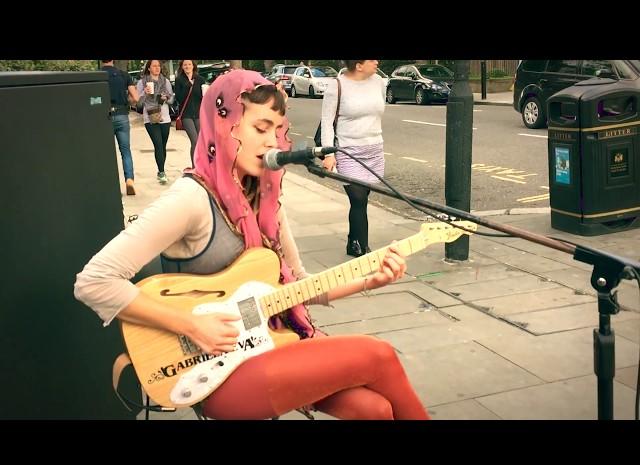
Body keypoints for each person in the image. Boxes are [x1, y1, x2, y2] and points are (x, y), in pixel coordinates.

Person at [74, 69, 429, 420]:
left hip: (271, 343)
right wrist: (192, 325)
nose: (273, 141)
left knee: (375, 410)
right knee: (378, 355)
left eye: (277, 130)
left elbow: (300, 285)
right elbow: (94, 281)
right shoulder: (192, 197)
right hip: (216, 373)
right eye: (260, 128)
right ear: (224, 125)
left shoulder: (267, 198)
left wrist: (370, 280)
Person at [320, 60, 386, 257]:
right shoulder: (337, 86)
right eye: (372, 60)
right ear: (358, 65)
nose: (377, 62)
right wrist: (329, 153)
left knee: (362, 197)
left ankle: (352, 242)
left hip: (374, 149)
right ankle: (362, 249)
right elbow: (327, 122)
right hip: (348, 150)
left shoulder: (379, 82)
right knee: (357, 199)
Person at [101, 60, 139, 195]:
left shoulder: (97, 75)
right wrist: (125, 99)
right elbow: (135, 97)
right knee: (125, 151)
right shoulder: (124, 75)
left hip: (103, 118)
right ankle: (129, 180)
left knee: (106, 153)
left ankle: (109, 185)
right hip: (122, 115)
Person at [136, 60, 175, 185]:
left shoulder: (166, 81)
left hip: (165, 117)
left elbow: (172, 100)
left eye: (158, 66)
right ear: (149, 68)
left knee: (163, 146)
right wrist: (144, 93)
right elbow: (138, 102)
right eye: (154, 66)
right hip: (150, 118)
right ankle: (162, 172)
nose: (157, 68)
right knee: (158, 145)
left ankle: (160, 171)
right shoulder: (142, 82)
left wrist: (166, 98)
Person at [174, 60, 206, 167]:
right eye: (185, 65)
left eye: (189, 64)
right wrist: (188, 85)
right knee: (195, 140)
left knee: (201, 142)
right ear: (182, 67)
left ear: (193, 66)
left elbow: (203, 98)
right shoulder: (179, 80)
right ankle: (195, 166)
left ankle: (202, 164)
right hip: (186, 115)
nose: (187, 66)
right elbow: (179, 98)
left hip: (198, 114)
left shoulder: (200, 79)